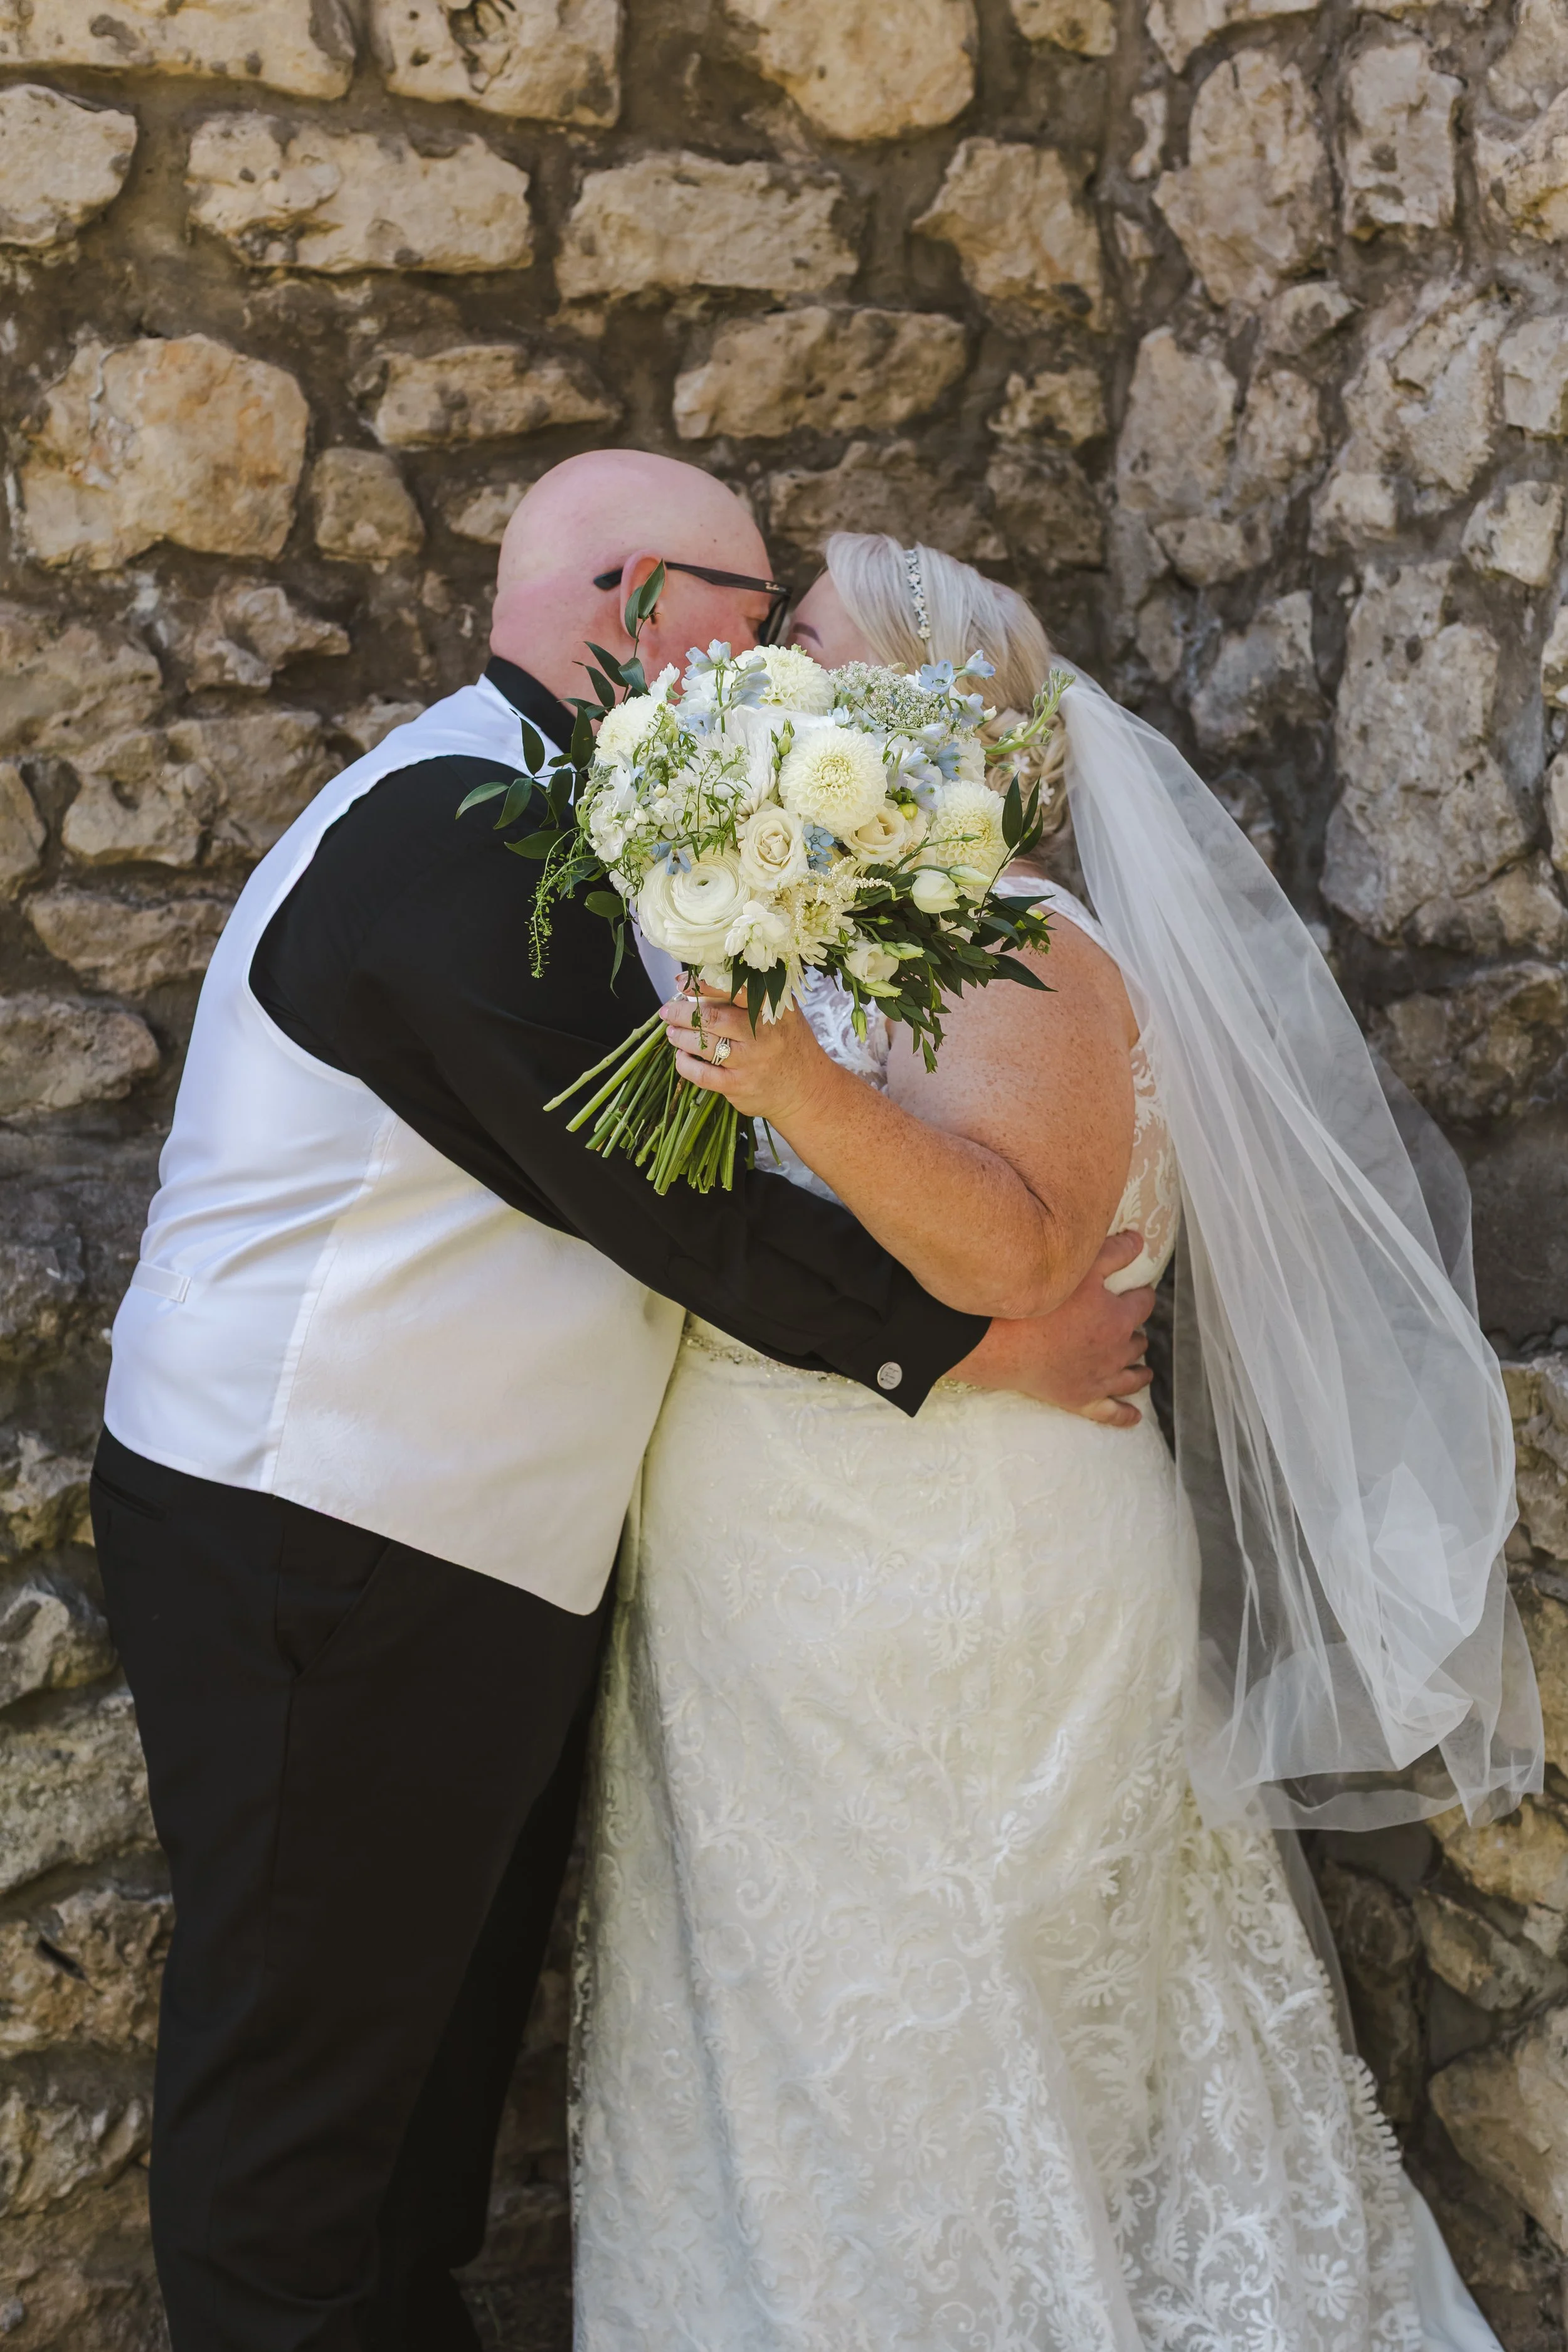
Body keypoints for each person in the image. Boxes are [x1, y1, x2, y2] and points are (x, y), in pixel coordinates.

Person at [90, 456, 1153, 2352]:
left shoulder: (578, 818)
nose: (773, 668)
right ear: (639, 599)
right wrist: (972, 1350)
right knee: (302, 2123)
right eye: (757, 613)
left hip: (461, 1546)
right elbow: (664, 1198)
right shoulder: (453, 837)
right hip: (319, 1530)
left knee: (418, 2099)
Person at [570, 532, 1537, 2349]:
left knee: (949, 2061)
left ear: (935, 715)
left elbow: (1012, 1248)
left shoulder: (1012, 936)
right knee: (797, 2053)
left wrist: (789, 1083)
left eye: (812, 657)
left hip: (951, 1586)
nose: (775, 680)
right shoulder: (853, 930)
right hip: (801, 1584)